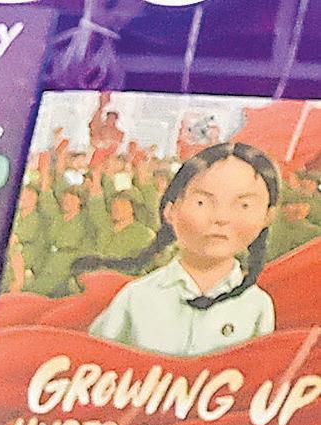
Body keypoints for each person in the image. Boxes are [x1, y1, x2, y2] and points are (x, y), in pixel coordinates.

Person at [80, 142, 281, 356]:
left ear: (267, 216)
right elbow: (93, 358)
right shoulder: (137, 296)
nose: (221, 218)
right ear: (170, 211)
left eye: (244, 205)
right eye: (202, 202)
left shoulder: (257, 305)